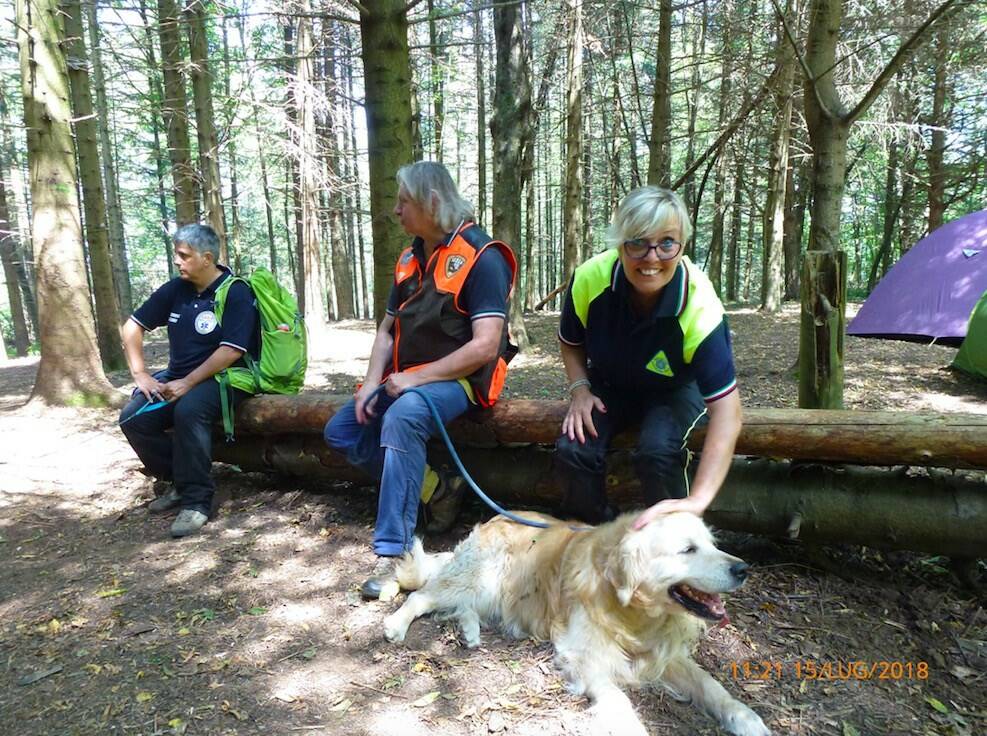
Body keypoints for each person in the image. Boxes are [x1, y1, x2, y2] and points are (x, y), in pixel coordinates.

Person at [324, 161, 516, 599]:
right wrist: (372, 382)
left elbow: (485, 345)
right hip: (409, 379)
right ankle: (439, 487)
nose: (395, 211)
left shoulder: (482, 257)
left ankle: (397, 557)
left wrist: (415, 379)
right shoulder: (411, 258)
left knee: (404, 416)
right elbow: (386, 330)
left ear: (432, 203)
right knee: (342, 430)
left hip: (463, 381)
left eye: (403, 202)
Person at [555, 186, 741, 529]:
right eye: (637, 242)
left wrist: (698, 500)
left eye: (667, 243)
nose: (652, 257)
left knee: (657, 452)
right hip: (609, 382)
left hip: (676, 388)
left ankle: (676, 539)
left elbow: (728, 414)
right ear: (620, 243)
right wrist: (580, 389)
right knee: (574, 448)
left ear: (682, 244)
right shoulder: (589, 279)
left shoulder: (700, 304)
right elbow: (571, 342)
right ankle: (596, 534)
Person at [119, 224, 259, 538]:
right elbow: (132, 326)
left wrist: (189, 383)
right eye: (177, 255)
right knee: (132, 419)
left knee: (189, 410)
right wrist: (141, 374)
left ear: (206, 258)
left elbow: (231, 351)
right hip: (178, 376)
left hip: (227, 377)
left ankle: (197, 502)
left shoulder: (235, 291)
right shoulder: (176, 290)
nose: (177, 262)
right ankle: (178, 482)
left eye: (184, 256)